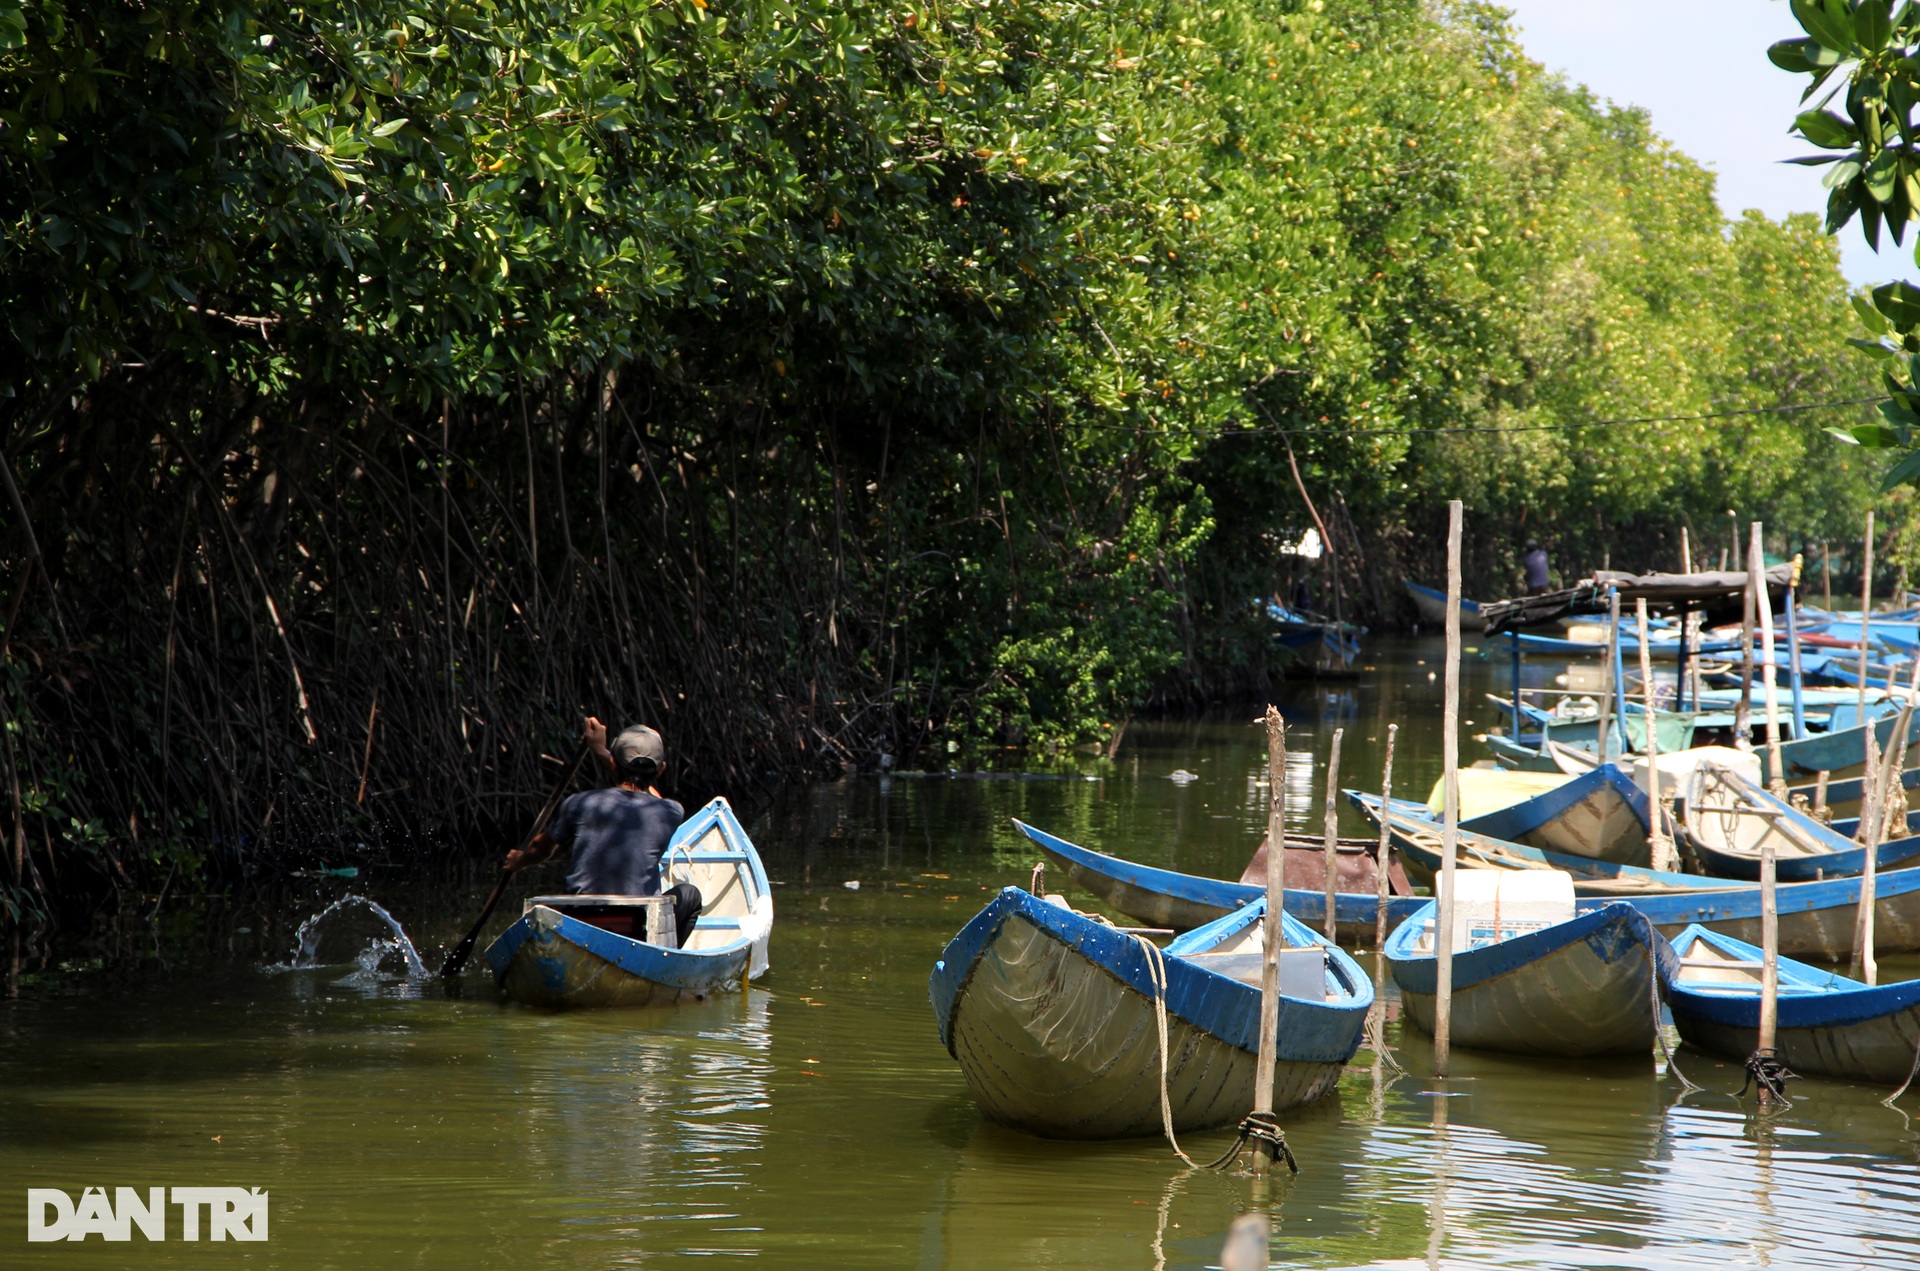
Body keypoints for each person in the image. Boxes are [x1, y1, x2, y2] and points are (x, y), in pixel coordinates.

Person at [503, 717, 702, 946]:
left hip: (580, 921)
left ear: (615, 764)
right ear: (662, 768)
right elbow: (651, 797)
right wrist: (603, 752)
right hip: (637, 928)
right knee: (689, 895)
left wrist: (520, 860)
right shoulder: (671, 812)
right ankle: (664, 961)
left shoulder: (578, 803)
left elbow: (540, 850)